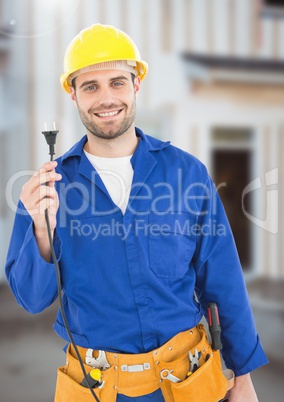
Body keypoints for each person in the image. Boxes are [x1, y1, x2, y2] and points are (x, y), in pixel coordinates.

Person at [5, 24, 268, 402]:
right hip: (96, 388)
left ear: (136, 84)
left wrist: (242, 375)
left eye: (117, 82)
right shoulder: (48, 188)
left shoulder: (186, 173)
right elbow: (32, 299)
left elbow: (223, 279)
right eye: (90, 86)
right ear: (73, 93)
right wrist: (42, 231)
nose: (106, 98)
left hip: (191, 378)